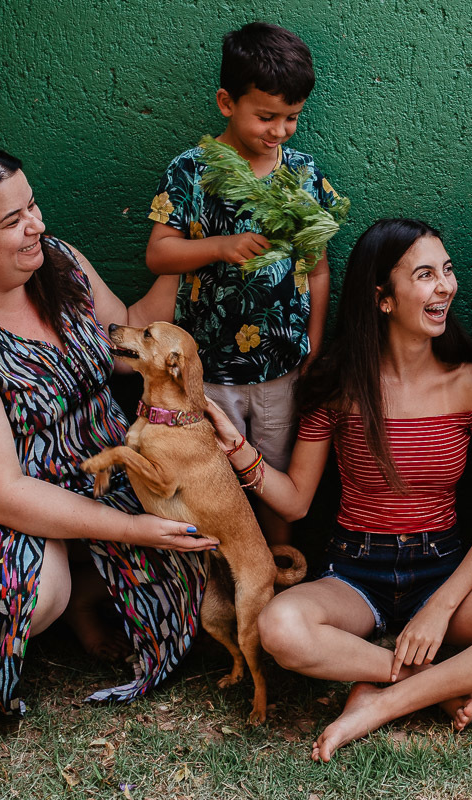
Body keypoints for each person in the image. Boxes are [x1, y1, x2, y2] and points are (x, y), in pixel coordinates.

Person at [0, 141, 219, 714]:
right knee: (29, 595)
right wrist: (134, 531)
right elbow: (1, 491)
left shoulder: (60, 263)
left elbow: (127, 333)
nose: (36, 226)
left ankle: (82, 578)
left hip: (97, 471)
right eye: (13, 219)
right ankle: (22, 591)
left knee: (198, 571)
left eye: (33, 206)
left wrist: (188, 253)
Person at [206, 219, 472, 762]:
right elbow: (296, 502)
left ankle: (384, 703)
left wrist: (440, 609)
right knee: (280, 627)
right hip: (355, 572)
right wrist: (237, 450)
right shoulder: (339, 388)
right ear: (383, 298)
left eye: (448, 272)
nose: (446, 287)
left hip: (443, 570)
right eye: (426, 275)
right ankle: (428, 678)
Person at [144, 21, 342, 548]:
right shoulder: (190, 171)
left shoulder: (301, 175)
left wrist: (315, 346)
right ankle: (222, 578)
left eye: (292, 118)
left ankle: (278, 571)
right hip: (209, 370)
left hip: (282, 368)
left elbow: (317, 268)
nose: (279, 131)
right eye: (266, 117)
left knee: (273, 477)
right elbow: (158, 254)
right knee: (215, 480)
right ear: (227, 102)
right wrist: (221, 246)